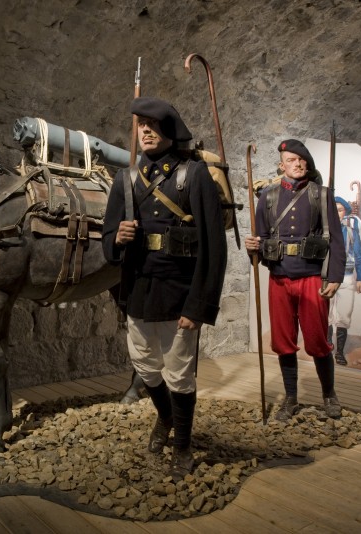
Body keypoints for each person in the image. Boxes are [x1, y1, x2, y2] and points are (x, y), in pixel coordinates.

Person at [102, 97, 227, 481]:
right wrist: (117, 238)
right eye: (141, 126)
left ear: (170, 133)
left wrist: (199, 305)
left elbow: (214, 248)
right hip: (138, 291)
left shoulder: (195, 176)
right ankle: (165, 416)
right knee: (144, 366)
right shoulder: (125, 180)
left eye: (153, 126)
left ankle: (183, 445)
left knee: (179, 374)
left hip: (179, 292)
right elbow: (107, 241)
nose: (145, 132)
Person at [245, 139, 346, 421]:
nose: (297, 164)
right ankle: (290, 397)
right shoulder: (269, 197)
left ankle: (329, 394)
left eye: (302, 160)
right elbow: (262, 238)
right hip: (279, 277)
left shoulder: (321, 195)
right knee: (283, 341)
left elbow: (336, 240)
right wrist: (253, 248)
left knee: (317, 341)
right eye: (291, 160)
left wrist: (335, 276)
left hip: (313, 277)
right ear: (282, 165)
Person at [328, 196, 361, 365]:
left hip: (346, 276)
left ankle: (340, 352)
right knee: (326, 315)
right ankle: (326, 348)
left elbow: (359, 256)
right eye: (333, 209)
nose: (336, 213)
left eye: (340, 209)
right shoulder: (320, 230)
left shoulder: (351, 232)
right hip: (326, 278)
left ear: (345, 213)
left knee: (344, 315)